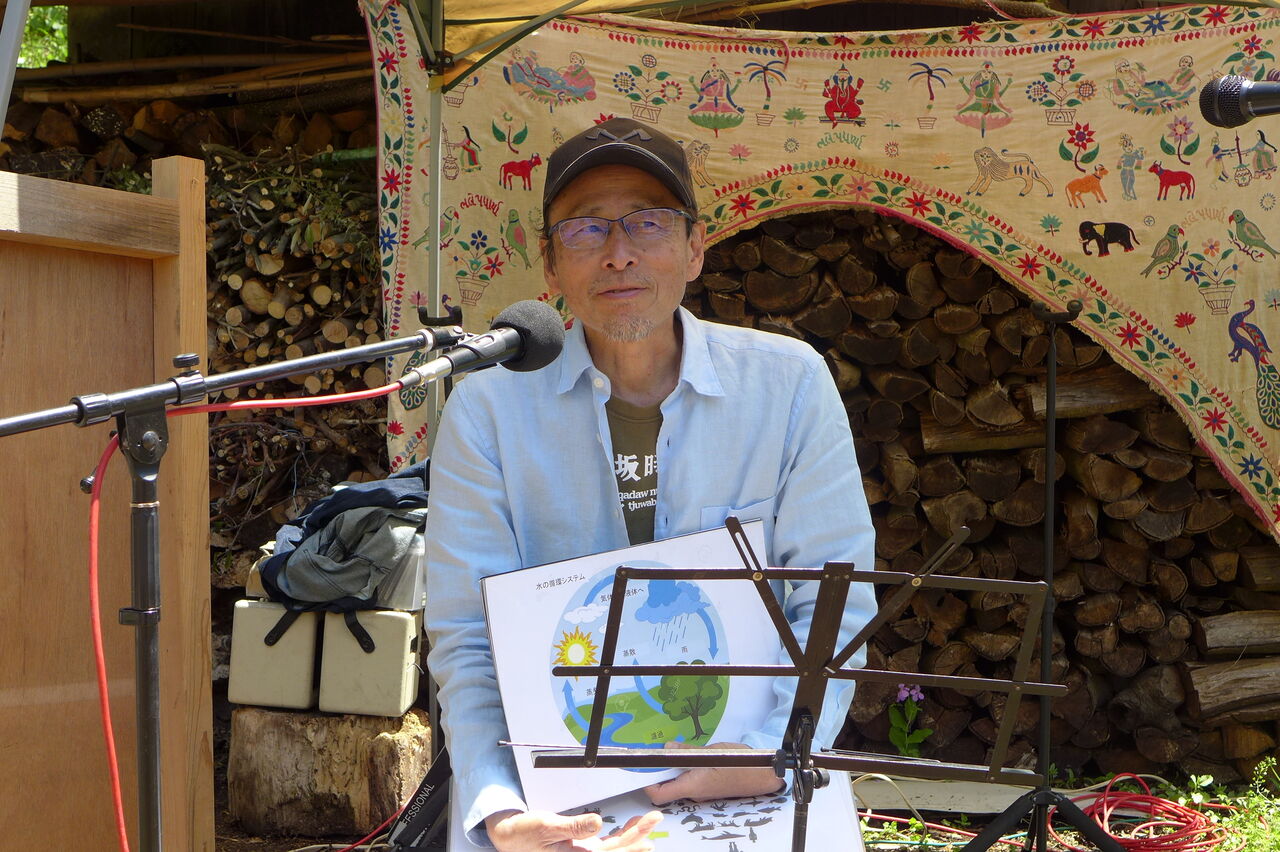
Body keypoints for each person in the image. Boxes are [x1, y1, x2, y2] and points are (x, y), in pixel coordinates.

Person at [423, 116, 877, 851]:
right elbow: (468, 635)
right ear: (550, 266)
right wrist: (498, 805)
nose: (619, 253)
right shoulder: (487, 410)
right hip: (550, 791)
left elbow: (833, 602)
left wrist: (772, 752)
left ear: (695, 248)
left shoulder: (789, 385)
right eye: (586, 229)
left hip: (747, 778)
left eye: (649, 222)